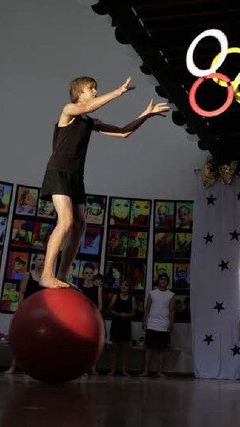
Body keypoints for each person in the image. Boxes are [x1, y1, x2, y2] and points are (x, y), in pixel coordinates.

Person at [39, 76, 169, 289]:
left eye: (96, 88)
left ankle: (62, 275)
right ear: (79, 92)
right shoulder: (68, 111)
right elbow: (88, 106)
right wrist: (118, 92)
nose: (95, 91)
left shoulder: (90, 123)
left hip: (76, 177)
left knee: (80, 224)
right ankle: (47, 274)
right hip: (59, 171)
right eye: (91, 88)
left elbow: (123, 133)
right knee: (66, 221)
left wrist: (146, 115)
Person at [5, 253, 45, 374]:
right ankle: (13, 366)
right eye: (39, 259)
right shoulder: (28, 275)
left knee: (37, 341)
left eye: (44, 260)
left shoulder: (46, 277)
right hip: (28, 311)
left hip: (40, 312)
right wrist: (20, 310)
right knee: (22, 339)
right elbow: (22, 293)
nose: (42, 262)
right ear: (34, 261)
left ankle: (32, 368)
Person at [140, 273, 175, 377]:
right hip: (152, 323)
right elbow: (147, 308)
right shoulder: (152, 293)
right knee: (149, 348)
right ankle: (146, 371)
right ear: (158, 281)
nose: (163, 281)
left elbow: (172, 311)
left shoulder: (171, 295)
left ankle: (159, 371)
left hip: (164, 324)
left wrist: (171, 324)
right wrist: (144, 321)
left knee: (162, 349)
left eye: (165, 280)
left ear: (167, 282)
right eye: (161, 279)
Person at [107, 281, 136, 376]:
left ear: (129, 288)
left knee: (125, 348)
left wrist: (126, 315)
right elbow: (110, 309)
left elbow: (134, 312)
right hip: (116, 323)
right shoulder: (115, 296)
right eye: (122, 285)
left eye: (126, 285)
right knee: (114, 348)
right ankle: (113, 369)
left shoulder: (132, 298)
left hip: (126, 324)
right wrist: (119, 314)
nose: (124, 287)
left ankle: (124, 369)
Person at [80, 268, 103, 375]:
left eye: (90, 273)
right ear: (83, 275)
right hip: (81, 318)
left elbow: (100, 305)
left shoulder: (97, 288)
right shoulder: (79, 288)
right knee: (82, 344)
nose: (89, 275)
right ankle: (82, 369)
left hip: (93, 318)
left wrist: (94, 316)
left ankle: (93, 368)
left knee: (93, 344)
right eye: (86, 273)